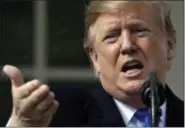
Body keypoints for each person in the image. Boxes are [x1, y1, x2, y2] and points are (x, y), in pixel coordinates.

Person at [3, 0, 184, 127]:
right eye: (112, 36)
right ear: (94, 58)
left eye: (140, 31)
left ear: (169, 46)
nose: (127, 46)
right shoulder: (59, 115)